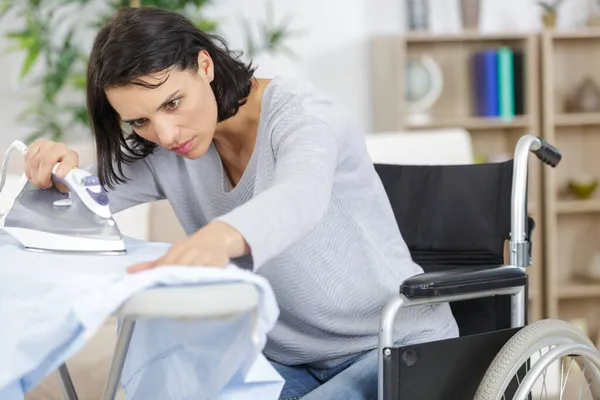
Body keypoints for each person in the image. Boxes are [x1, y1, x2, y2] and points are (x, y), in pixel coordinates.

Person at [23, 6, 459, 400]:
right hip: (283, 358)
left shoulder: (301, 116)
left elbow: (300, 196)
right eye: (140, 120)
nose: (166, 133)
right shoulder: (167, 152)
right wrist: (57, 174)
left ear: (205, 66)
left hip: (391, 343)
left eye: (173, 102)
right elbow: (84, 201)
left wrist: (220, 238)